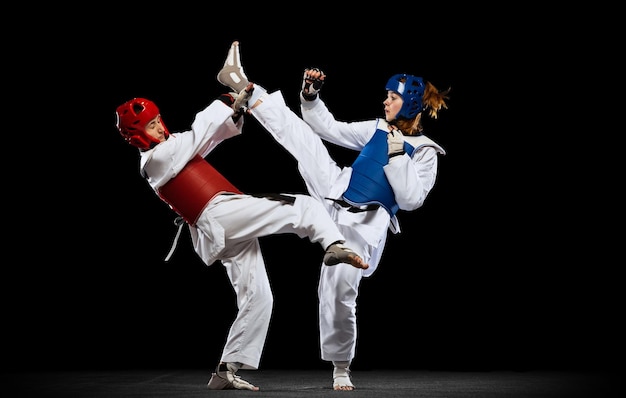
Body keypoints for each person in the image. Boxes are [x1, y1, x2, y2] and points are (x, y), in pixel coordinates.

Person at [216, 41, 450, 390]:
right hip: (335, 191)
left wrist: (399, 154)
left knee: (337, 289)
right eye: (386, 95)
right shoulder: (376, 128)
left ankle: (341, 366)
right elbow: (327, 127)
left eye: (392, 97)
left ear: (411, 103)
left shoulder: (426, 152)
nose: (385, 100)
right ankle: (246, 89)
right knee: (304, 139)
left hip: (363, 226)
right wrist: (310, 97)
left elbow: (412, 199)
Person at [114, 82, 370, 391]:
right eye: (150, 126)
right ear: (136, 135)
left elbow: (205, 141)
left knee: (258, 296)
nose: (157, 128)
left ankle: (226, 369)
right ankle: (334, 243)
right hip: (219, 214)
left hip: (222, 226)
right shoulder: (154, 160)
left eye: (157, 121)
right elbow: (200, 132)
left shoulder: (171, 148)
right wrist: (226, 99)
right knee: (302, 206)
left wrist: (235, 111)